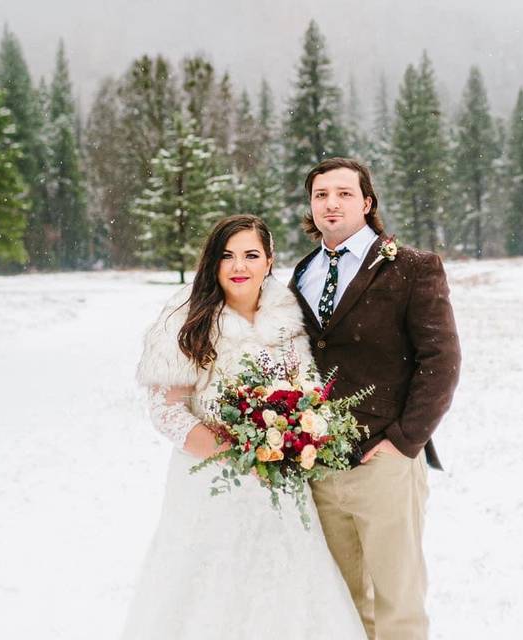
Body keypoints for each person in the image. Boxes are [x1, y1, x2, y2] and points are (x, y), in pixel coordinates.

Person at [121, 214, 365, 639]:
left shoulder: (286, 314)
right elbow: (167, 410)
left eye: (251, 255)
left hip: (281, 484)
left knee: (286, 586)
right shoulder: (187, 317)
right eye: (228, 256)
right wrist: (236, 450)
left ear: (269, 261)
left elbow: (304, 387)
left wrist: (296, 432)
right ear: (213, 263)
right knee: (211, 588)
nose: (239, 267)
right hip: (211, 482)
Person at [290, 158, 462, 639]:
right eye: (321, 194)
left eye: (344, 193)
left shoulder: (411, 268)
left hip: (384, 460)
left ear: (367, 203)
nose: (331, 202)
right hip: (320, 464)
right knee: (344, 603)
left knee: (397, 604)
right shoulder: (301, 274)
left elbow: (441, 360)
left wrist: (404, 441)